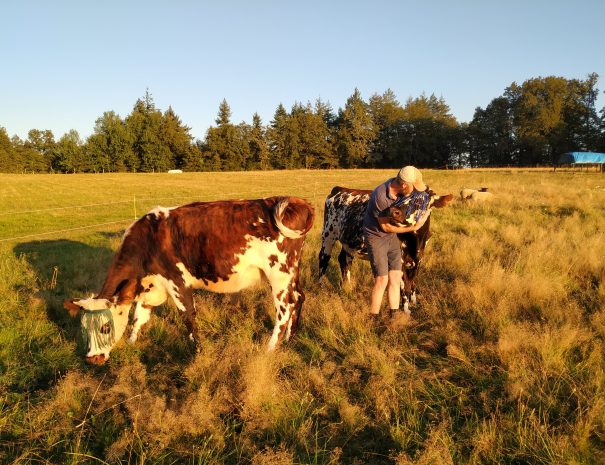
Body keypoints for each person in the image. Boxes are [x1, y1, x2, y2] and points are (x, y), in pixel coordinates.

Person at [362, 166, 430, 322]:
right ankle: (374, 319)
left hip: (391, 236)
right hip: (376, 236)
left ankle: (394, 315)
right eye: (414, 186)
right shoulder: (380, 196)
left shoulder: (400, 190)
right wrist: (414, 227)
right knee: (382, 279)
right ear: (405, 184)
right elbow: (385, 227)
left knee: (396, 275)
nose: (414, 191)